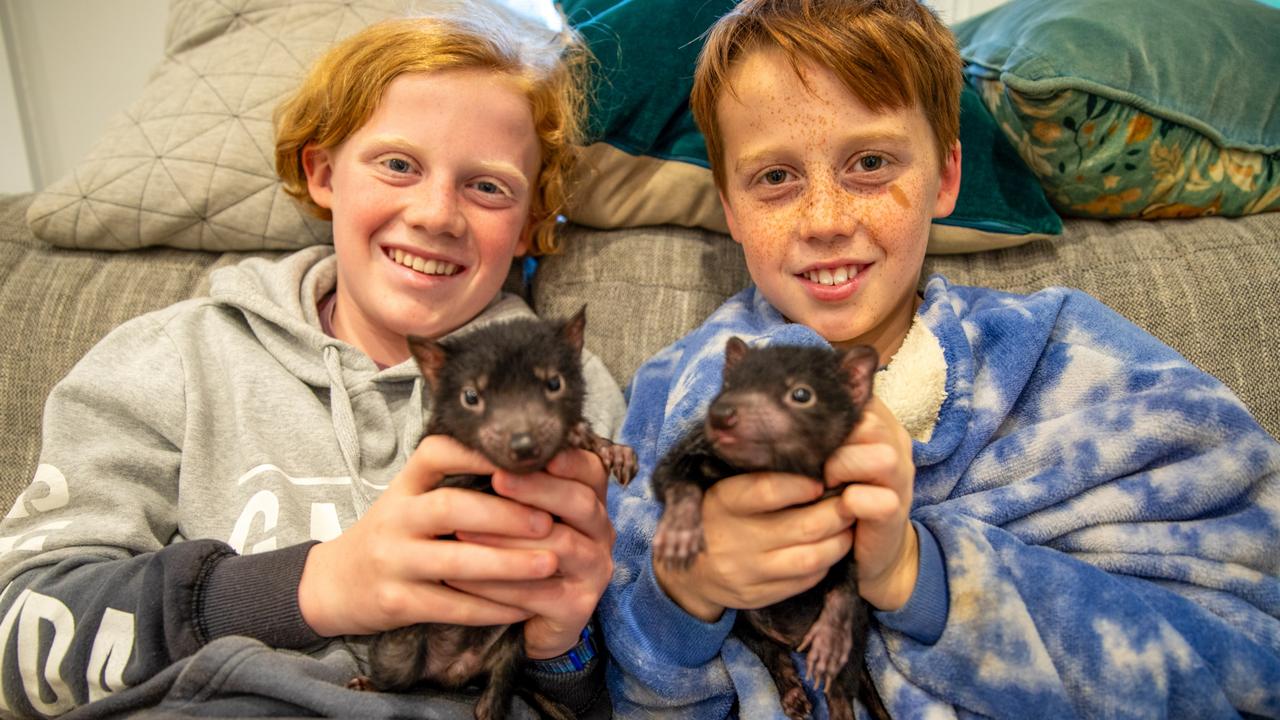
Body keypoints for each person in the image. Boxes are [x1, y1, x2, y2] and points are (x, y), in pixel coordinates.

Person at [600, 0, 1280, 717]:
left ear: (946, 176)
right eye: (775, 178)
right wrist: (689, 595)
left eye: (869, 163)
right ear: (730, 207)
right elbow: (626, 685)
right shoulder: (679, 387)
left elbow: (1252, 655)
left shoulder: (1070, 359)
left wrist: (917, 571)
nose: (825, 220)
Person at [0, 3, 624, 718]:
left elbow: (616, 685)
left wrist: (562, 650)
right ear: (324, 174)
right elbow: (18, 633)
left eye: (487, 187)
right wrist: (313, 586)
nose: (436, 214)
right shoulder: (171, 360)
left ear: (527, 227)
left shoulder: (573, 388)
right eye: (397, 164)